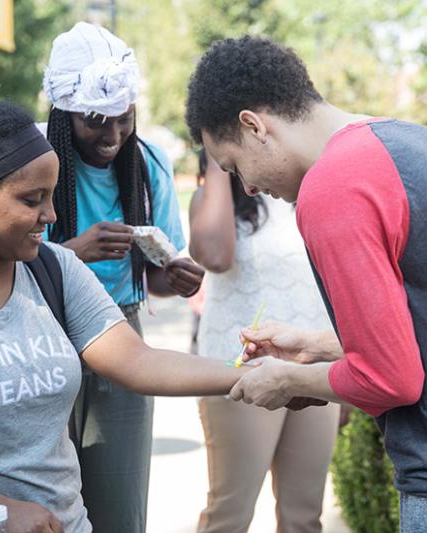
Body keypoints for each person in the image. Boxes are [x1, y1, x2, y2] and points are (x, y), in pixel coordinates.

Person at [0, 56, 251, 533]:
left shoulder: (54, 268)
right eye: (31, 200)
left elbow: (138, 361)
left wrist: (249, 374)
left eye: (52, 195)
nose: (51, 215)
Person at [185, 35, 427, 532]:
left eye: (234, 166)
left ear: (253, 126)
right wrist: (318, 346)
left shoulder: (332, 186)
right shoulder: (403, 138)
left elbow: (392, 379)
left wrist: (288, 380)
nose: (248, 188)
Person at [41, 22, 204, 533]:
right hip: (47, 336)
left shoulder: (147, 162)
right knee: (45, 506)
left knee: (119, 505)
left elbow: (153, 283)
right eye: (95, 120)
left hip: (121, 332)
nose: (111, 136)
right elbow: (2, 274)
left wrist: (173, 278)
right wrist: (72, 254)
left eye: (122, 118)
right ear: (64, 115)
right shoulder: (37, 164)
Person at [189, 150, 339, 533]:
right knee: (230, 513)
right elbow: (215, 256)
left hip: (315, 368)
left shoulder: (309, 190)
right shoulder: (214, 196)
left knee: (304, 516)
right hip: (241, 370)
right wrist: (218, 160)